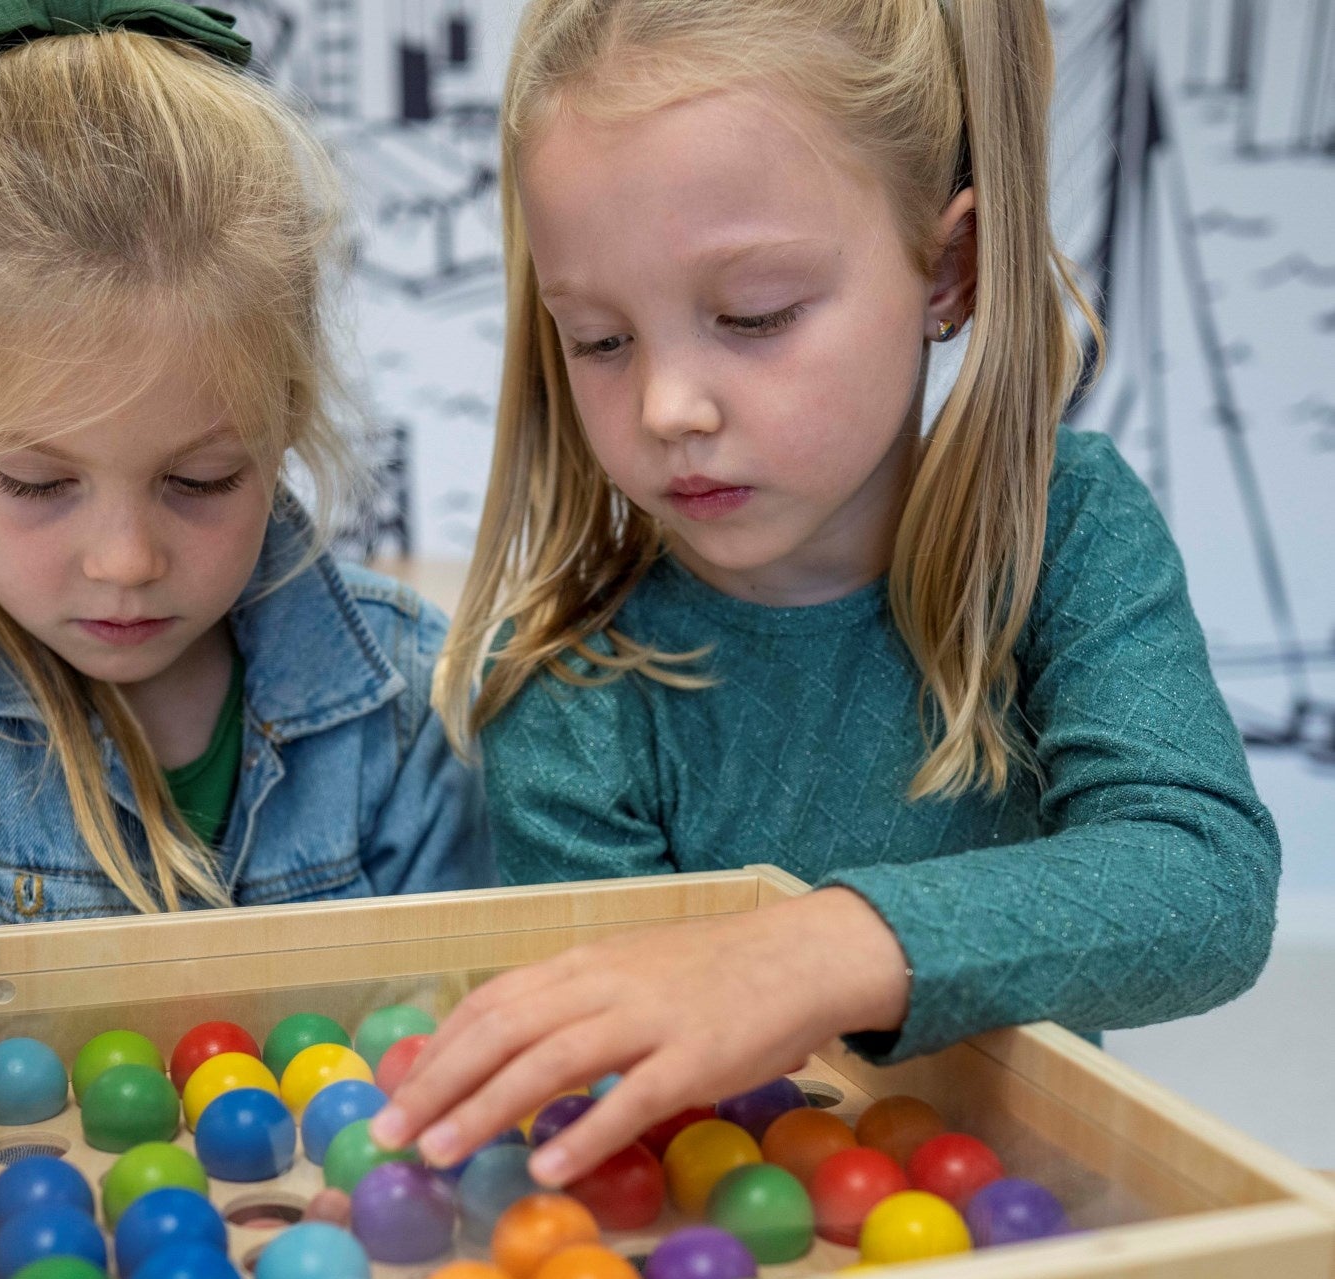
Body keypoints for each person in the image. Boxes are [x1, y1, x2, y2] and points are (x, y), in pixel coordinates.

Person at [370, 0, 1279, 1189]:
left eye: (755, 317)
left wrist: (812, 952)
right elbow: (641, 1133)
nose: (666, 409)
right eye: (598, 339)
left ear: (948, 269)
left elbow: (1203, 879)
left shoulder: (1066, 530)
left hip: (1023, 1256)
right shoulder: (572, 687)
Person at [0, 0, 492, 1279]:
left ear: (287, 415)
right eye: (37, 483)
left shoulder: (398, 696)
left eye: (200, 481)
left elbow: (452, 1039)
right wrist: (86, 1256)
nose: (126, 561)